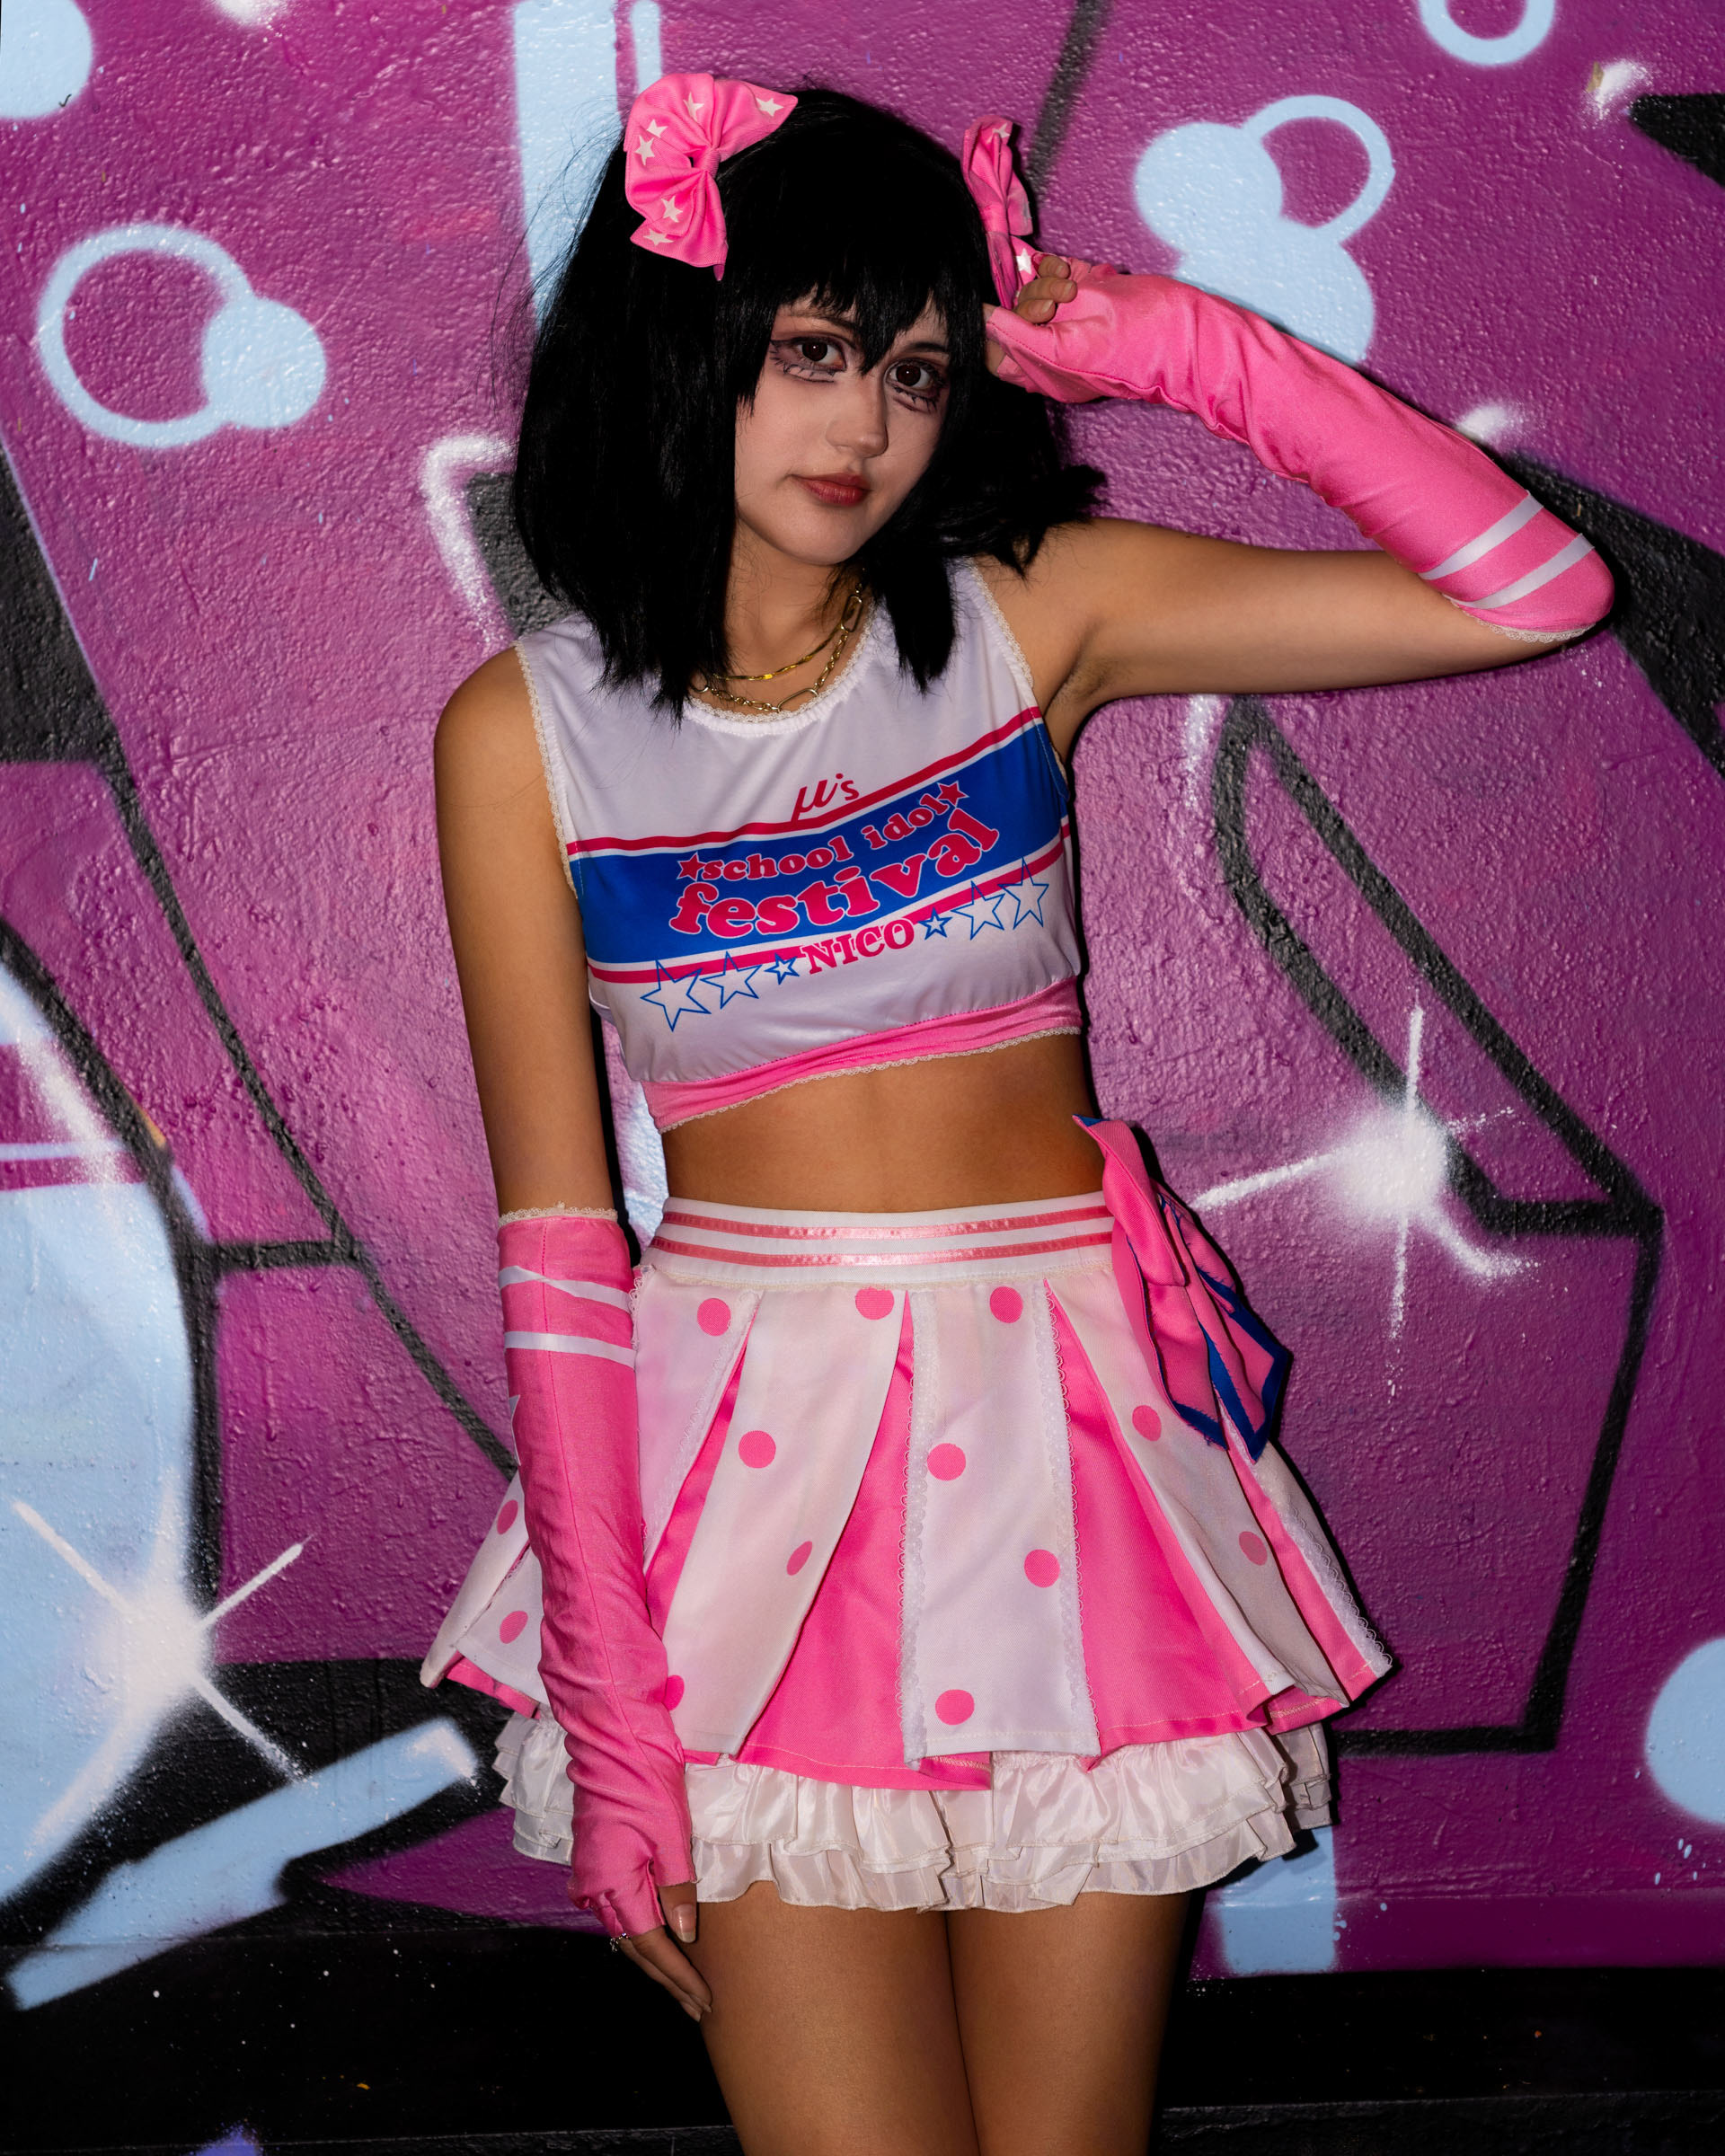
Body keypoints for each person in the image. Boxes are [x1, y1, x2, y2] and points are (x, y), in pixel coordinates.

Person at [420, 76, 1610, 2156]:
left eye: (912, 368)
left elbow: (1528, 589)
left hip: (1075, 1441)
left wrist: (1150, 340)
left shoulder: (1027, 611)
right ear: (682, 339)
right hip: (742, 1494)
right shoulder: (528, 734)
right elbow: (558, 1251)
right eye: (810, 351)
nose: (860, 426)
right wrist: (618, 1737)